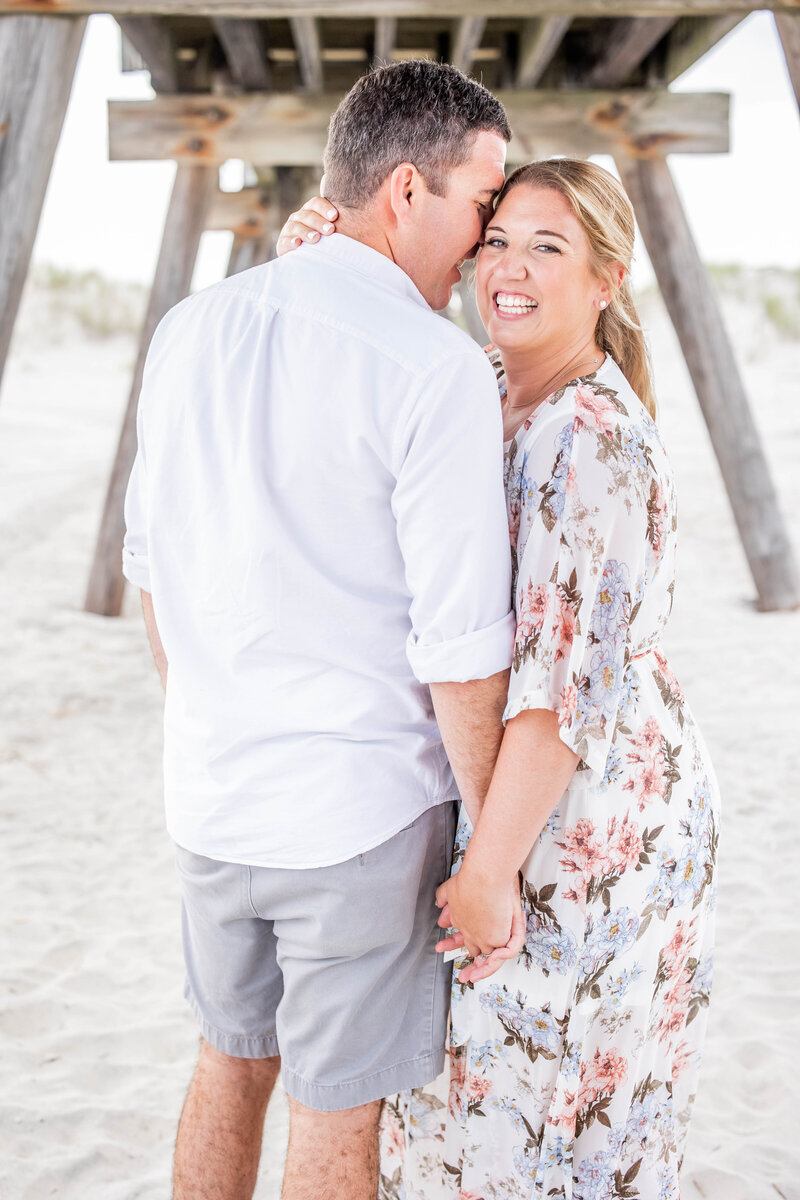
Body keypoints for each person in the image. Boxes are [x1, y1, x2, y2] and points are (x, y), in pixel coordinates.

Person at [280, 158, 720, 1198]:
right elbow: (354, 391)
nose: (508, 270)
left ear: (606, 281)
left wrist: (488, 872)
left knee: (545, 1134)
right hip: (515, 802)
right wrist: (321, 264)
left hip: (577, 824)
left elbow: (558, 699)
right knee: (469, 1123)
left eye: (548, 247)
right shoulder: (481, 383)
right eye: (498, 242)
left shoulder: (592, 442)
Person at [122, 60, 521, 1200]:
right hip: (355, 820)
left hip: (209, 797)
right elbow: (460, 652)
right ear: (405, 191)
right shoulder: (433, 367)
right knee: (336, 1113)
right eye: (481, 207)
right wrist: (492, 846)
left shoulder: (188, 329)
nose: (486, 244)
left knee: (227, 1064)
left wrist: (219, 723)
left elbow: (154, 579)